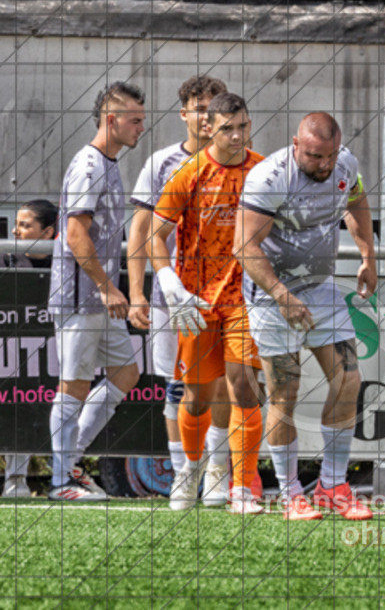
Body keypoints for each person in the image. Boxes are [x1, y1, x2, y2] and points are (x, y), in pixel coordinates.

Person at [235, 112, 376, 521]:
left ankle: (334, 486)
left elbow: (356, 201)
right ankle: (291, 493)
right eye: (314, 156)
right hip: (270, 295)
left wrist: (367, 255)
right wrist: (280, 295)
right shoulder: (269, 178)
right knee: (285, 393)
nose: (323, 165)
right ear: (296, 145)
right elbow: (244, 247)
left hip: (320, 288)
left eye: (328, 156)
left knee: (349, 379)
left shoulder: (345, 163)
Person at [149, 92, 265, 515]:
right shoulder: (190, 173)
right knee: (195, 397)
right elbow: (154, 236)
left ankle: (240, 486)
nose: (236, 135)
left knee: (244, 388)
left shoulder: (263, 169)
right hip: (196, 301)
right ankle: (189, 471)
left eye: (243, 126)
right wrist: (168, 282)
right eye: (227, 128)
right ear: (208, 128)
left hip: (246, 299)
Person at [126, 75, 234, 506]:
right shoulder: (161, 163)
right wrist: (138, 292)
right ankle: (182, 473)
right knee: (179, 387)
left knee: (226, 383)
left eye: (214, 106)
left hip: (226, 296)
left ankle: (219, 470)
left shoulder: (241, 161)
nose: (207, 115)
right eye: (199, 107)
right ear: (184, 114)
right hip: (174, 296)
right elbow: (140, 231)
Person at [47, 82, 145, 501]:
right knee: (73, 385)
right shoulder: (89, 165)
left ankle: (70, 463)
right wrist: (108, 288)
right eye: (135, 119)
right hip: (80, 297)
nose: (141, 126)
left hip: (98, 298)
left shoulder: (108, 162)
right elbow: (74, 234)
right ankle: (59, 481)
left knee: (127, 373)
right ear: (112, 120)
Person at [1, 199, 58, 498]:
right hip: (14, 352)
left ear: (48, 232)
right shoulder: (5, 259)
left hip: (58, 352)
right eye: (17, 224)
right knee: (15, 399)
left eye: (25, 225)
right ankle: (16, 478)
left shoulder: (67, 260)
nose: (16, 230)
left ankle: (66, 473)